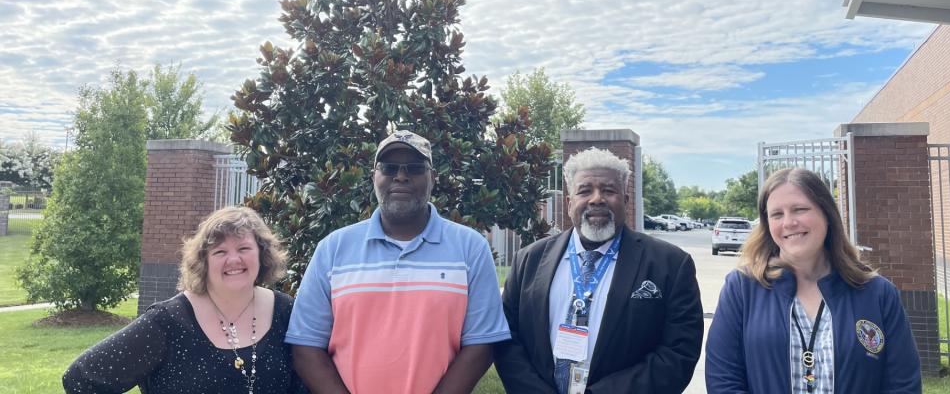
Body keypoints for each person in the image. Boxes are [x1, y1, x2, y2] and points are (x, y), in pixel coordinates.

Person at [285, 130, 509, 394]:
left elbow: (482, 344)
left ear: (432, 179)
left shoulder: (470, 248)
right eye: (389, 168)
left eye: (414, 168)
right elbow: (305, 344)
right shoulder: (333, 249)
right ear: (374, 177)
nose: (401, 176)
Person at [494, 147, 704, 394]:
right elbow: (507, 339)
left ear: (625, 201)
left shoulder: (670, 264)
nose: (597, 199)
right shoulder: (528, 260)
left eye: (609, 190)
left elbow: (678, 352)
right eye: (584, 190)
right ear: (569, 202)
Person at [705, 167, 922, 393]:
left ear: (827, 215)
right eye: (777, 214)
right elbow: (723, 381)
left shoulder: (878, 293)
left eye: (799, 209)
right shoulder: (742, 289)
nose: (788, 223)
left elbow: (903, 385)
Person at [63, 206, 308, 393]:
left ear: (262, 254)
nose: (234, 260)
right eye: (220, 252)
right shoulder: (168, 321)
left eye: (244, 249)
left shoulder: (285, 311)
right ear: (204, 261)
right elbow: (80, 379)